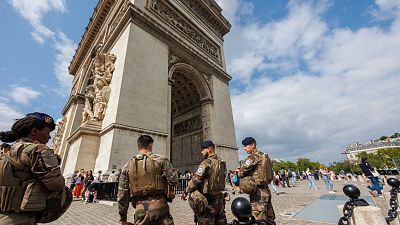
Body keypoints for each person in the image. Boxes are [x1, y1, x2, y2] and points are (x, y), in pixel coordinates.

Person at [0, 112, 71, 224]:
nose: (49, 137)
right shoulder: (38, 151)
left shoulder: (6, 151)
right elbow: (57, 184)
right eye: (47, 132)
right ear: (34, 131)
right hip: (21, 218)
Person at [118, 135, 178, 225]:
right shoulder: (161, 160)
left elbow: (122, 195)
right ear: (150, 145)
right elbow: (174, 180)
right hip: (160, 207)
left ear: (138, 147)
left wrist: (123, 218)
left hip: (140, 210)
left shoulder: (127, 166)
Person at [181, 140, 227, 225]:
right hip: (219, 199)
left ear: (209, 149)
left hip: (208, 200)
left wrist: (186, 191)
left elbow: (196, 180)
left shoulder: (206, 162)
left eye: (203, 149)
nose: (202, 152)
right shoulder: (222, 162)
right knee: (220, 221)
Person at [238, 137, 275, 224]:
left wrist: (239, 172)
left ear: (253, 145)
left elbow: (241, 173)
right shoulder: (264, 156)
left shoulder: (253, 157)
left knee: (257, 219)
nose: (244, 148)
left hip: (258, 192)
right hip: (266, 190)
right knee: (270, 219)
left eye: (246, 145)